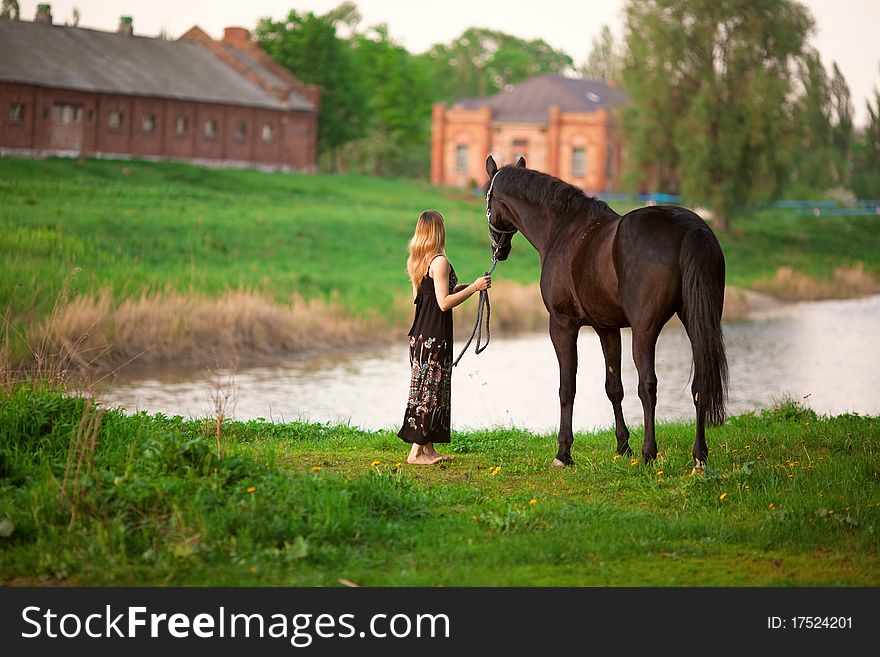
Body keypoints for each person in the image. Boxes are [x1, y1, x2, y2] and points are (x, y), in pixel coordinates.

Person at [398, 210, 491, 464]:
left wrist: (467, 287)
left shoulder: (418, 260)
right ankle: (416, 453)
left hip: (420, 334)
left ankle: (428, 450)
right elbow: (443, 302)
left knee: (429, 389)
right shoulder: (439, 261)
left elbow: (427, 297)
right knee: (430, 391)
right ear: (438, 231)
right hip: (434, 335)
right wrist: (474, 288)